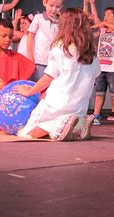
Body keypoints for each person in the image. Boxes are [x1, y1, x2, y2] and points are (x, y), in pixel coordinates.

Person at [15, 8, 101, 141]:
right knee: (62, 121)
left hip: (56, 103)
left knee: (27, 133)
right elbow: (95, 76)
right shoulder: (92, 53)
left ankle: (58, 127)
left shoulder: (60, 48)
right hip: (80, 107)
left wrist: (29, 91)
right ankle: (78, 125)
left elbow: (47, 78)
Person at [88, 0, 114, 127]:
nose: (105, 17)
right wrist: (92, 3)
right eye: (105, 15)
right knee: (99, 93)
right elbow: (96, 18)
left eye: (108, 15)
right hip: (101, 67)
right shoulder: (103, 29)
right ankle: (96, 115)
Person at [27, 0, 65, 81]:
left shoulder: (62, 21)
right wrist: (30, 57)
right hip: (39, 61)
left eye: (57, 7)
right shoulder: (38, 18)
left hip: (55, 62)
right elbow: (30, 37)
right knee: (37, 88)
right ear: (44, 2)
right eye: (51, 5)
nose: (54, 9)